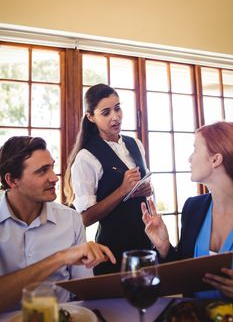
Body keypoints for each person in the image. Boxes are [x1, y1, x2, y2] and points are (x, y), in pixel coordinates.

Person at [0, 136, 116, 312]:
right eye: (42, 171)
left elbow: (84, 294)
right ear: (12, 180)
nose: (54, 178)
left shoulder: (72, 220)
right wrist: (60, 257)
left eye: (52, 167)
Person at [64, 83, 153, 274]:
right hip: (113, 253)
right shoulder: (86, 158)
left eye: (118, 108)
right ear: (91, 116)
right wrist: (122, 190)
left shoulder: (135, 144)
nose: (116, 117)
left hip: (147, 244)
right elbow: (85, 218)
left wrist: (147, 189)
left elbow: (143, 187)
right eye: (106, 112)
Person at [141, 121, 233, 299]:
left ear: (215, 159)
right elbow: (185, 273)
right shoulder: (193, 208)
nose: (190, 158)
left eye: (195, 149)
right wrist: (165, 247)